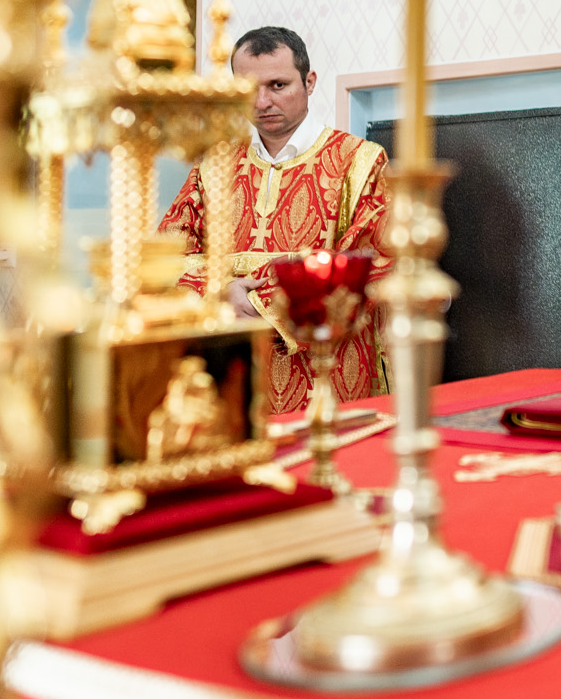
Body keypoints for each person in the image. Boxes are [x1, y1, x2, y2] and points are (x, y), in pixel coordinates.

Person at [159, 26, 392, 415]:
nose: (262, 102)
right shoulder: (214, 166)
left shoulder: (359, 160)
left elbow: (372, 260)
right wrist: (220, 293)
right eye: (248, 89)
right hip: (237, 371)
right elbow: (167, 255)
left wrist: (256, 302)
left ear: (309, 82)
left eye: (278, 85)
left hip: (326, 370)